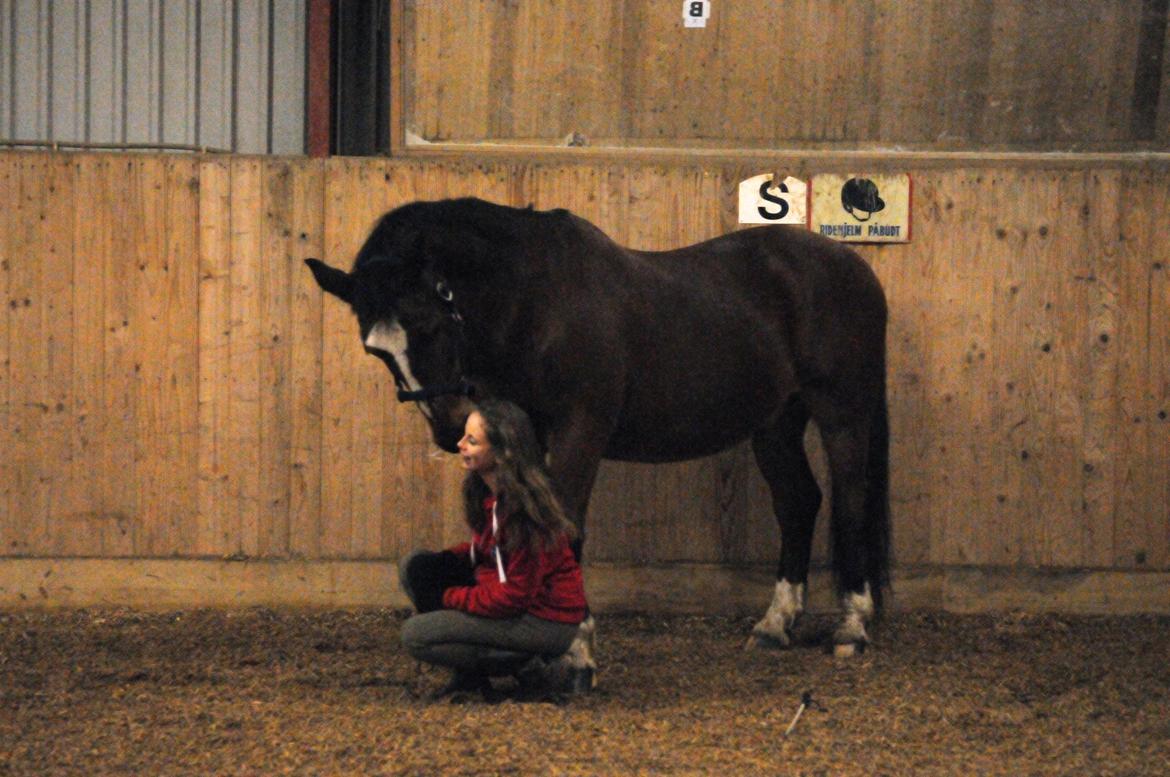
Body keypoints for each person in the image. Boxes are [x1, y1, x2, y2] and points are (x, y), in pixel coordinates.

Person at [399, 398, 588, 701]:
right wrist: (449, 560)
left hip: (544, 621)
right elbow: (492, 551)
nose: (460, 444)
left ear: (501, 453)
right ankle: (476, 672)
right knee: (415, 565)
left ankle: (529, 666)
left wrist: (447, 598)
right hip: (513, 600)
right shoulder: (488, 491)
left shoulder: (524, 513)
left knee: (416, 636)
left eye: (472, 440)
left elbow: (513, 596)